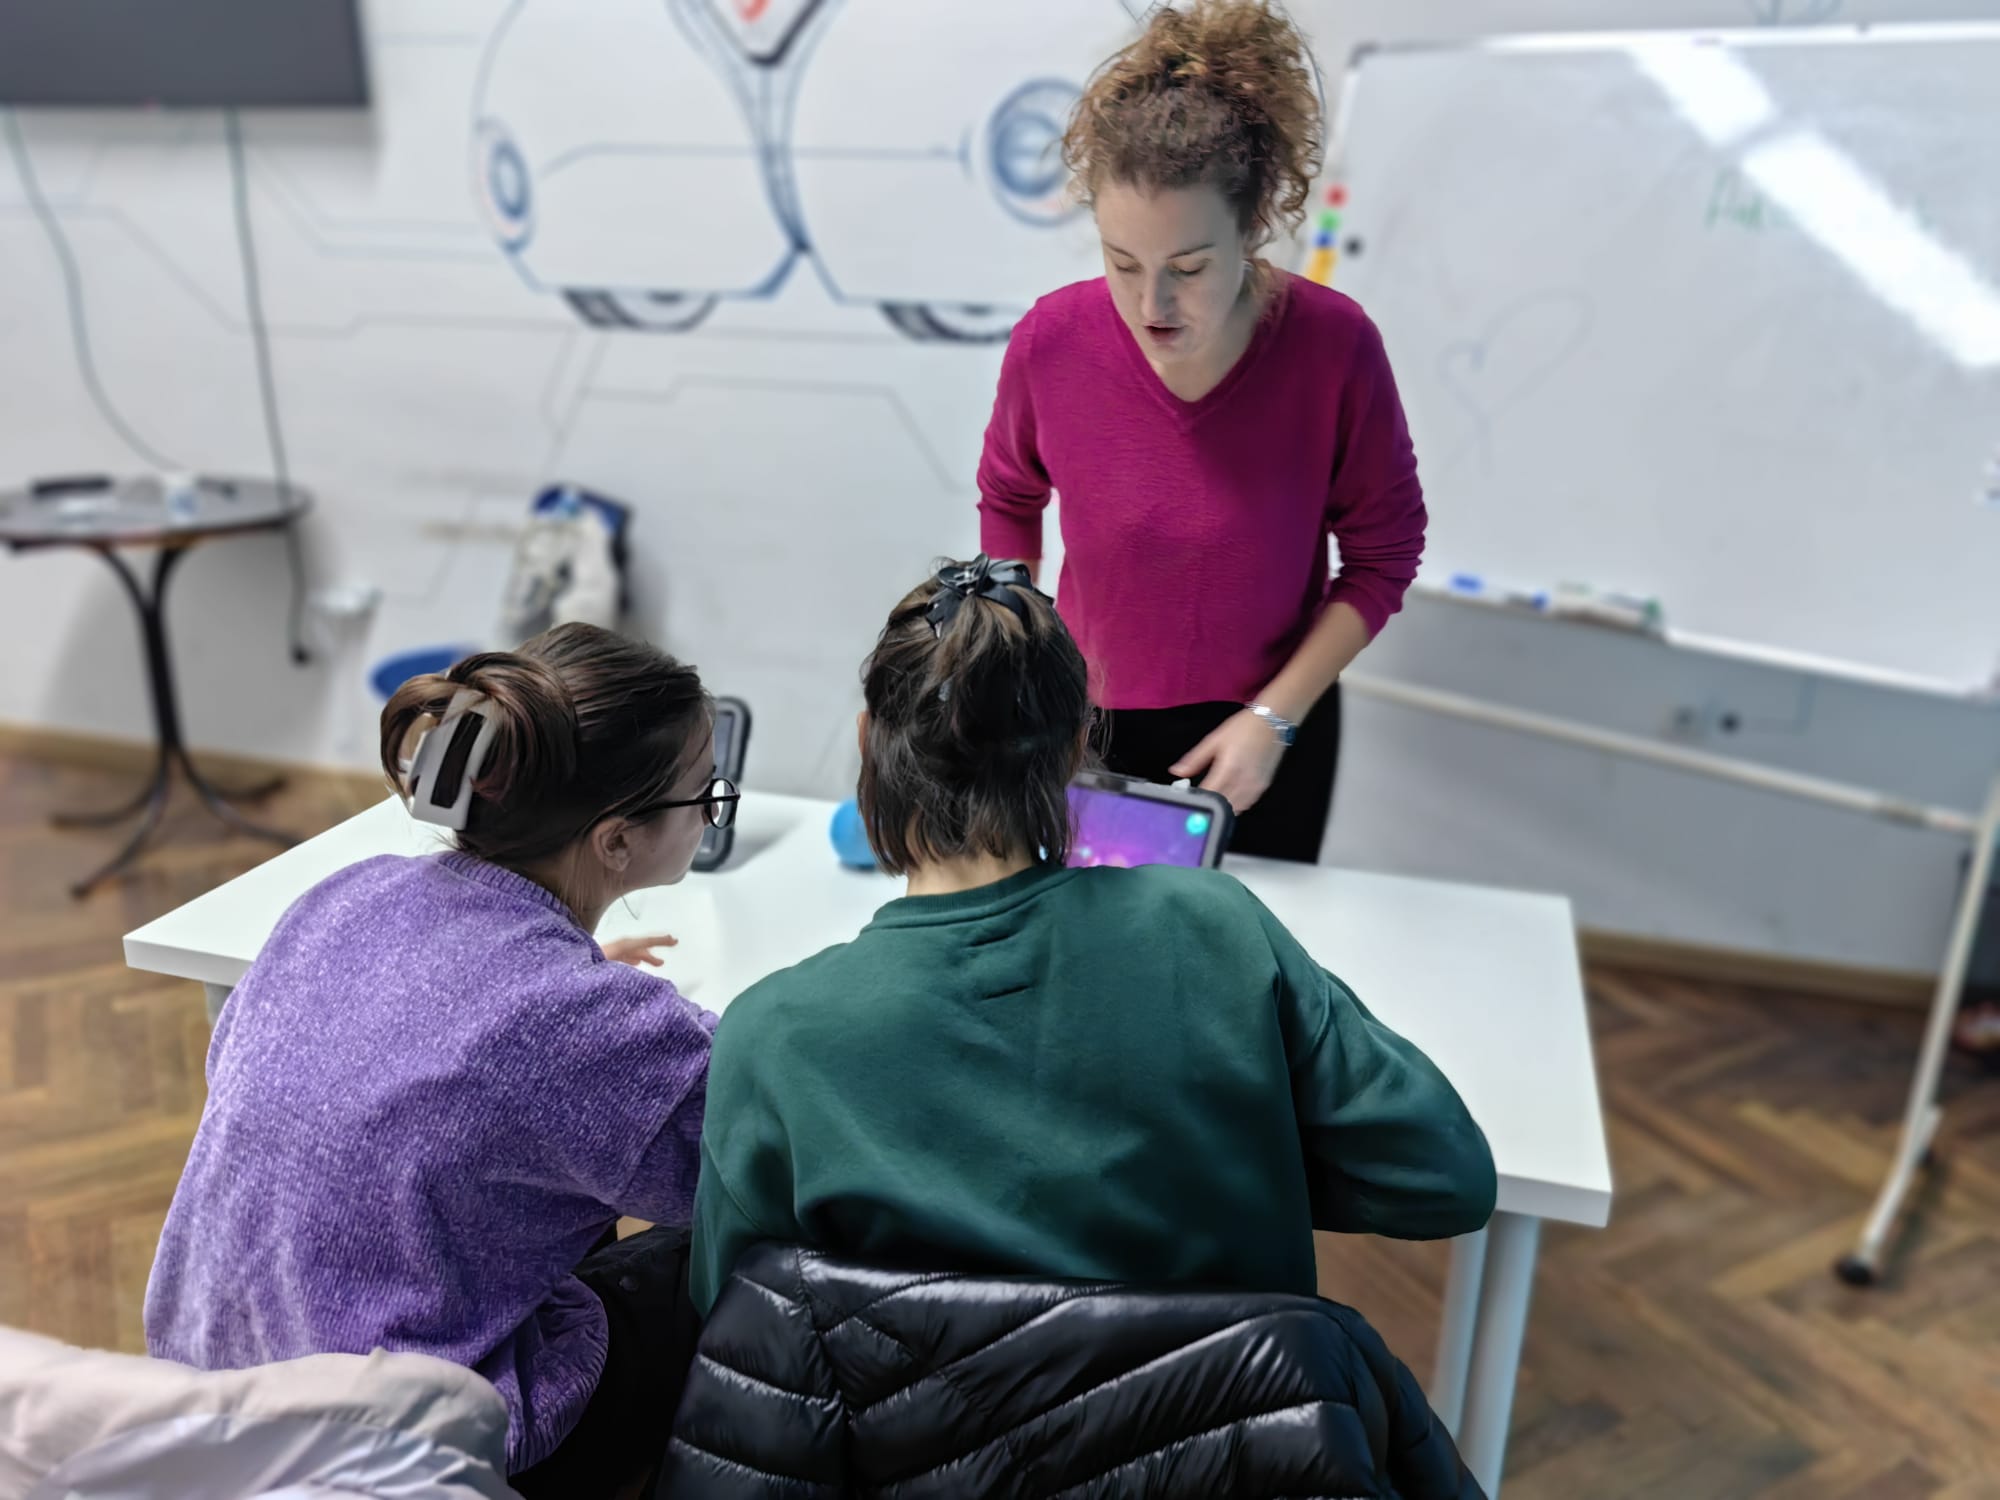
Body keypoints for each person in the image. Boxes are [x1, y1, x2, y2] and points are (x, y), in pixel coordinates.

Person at [688, 559, 1494, 1314]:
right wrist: (1224, 1158)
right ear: (1078, 748)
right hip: (1219, 1417)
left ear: (870, 740)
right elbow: (1443, 1178)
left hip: (913, 1424)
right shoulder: (1214, 929)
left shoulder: (773, 1038)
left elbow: (730, 1318)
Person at [145, 623, 734, 1499]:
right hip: (400, 1452)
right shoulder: (580, 1024)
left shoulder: (347, 895)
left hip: (214, 1391)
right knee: (736, 1262)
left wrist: (567, 993)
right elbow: (749, 1160)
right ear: (616, 841)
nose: (711, 811)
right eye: (706, 795)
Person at [977, 0, 1425, 863]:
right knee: (1092, 938)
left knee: (1245, 939)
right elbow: (1009, 498)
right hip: (1083, 727)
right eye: (1122, 263)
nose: (1152, 305)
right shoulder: (1051, 341)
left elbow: (1384, 555)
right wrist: (1017, 659)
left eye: (1188, 268)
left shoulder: (1334, 348)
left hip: (1266, 736)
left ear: (1252, 228)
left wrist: (1274, 717)